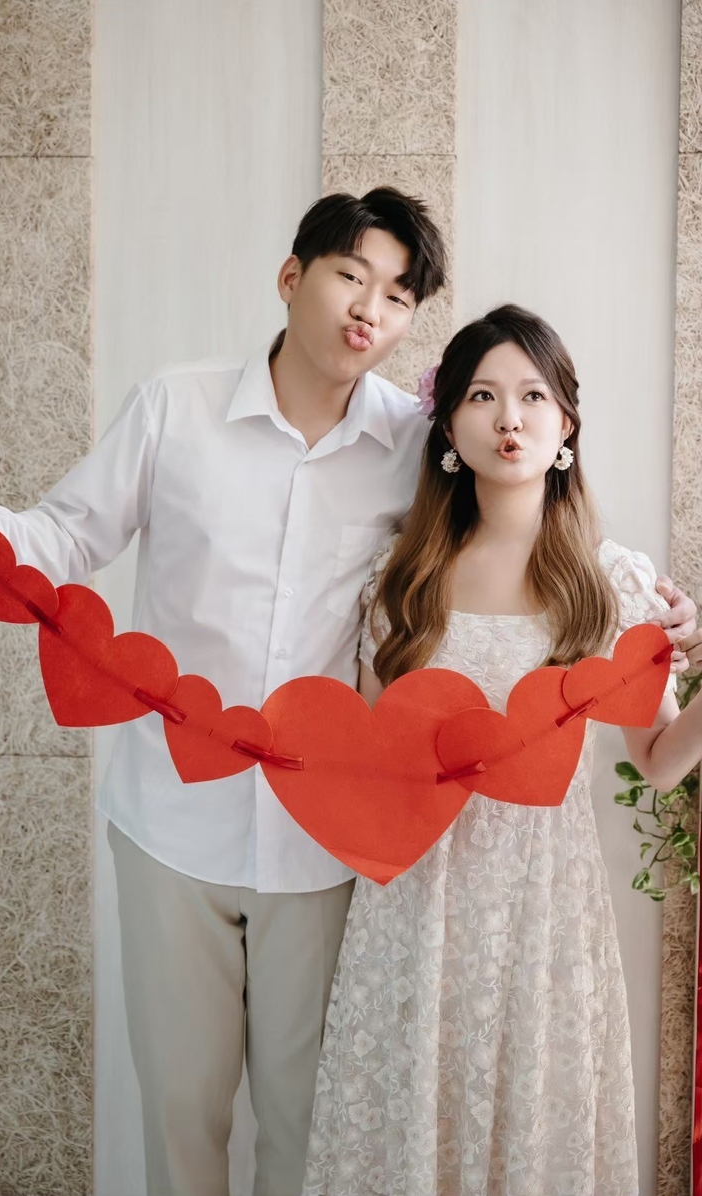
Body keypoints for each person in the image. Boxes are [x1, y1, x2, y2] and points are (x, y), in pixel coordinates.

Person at [0, 188, 449, 1196]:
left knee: (306, 1122)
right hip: (169, 822)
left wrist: (645, 601)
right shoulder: (175, 406)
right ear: (290, 277)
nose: (367, 308)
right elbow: (68, 533)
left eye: (396, 294)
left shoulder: (416, 448)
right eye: (349, 276)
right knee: (180, 1112)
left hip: (319, 840)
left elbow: (517, 528)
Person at [302, 304, 702, 1196]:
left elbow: (658, 760)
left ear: (566, 426)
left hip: (545, 907)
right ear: (448, 429)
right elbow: (369, 761)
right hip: (416, 903)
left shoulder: (614, 582)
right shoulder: (400, 579)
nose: (509, 418)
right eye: (482, 396)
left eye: (532, 396)